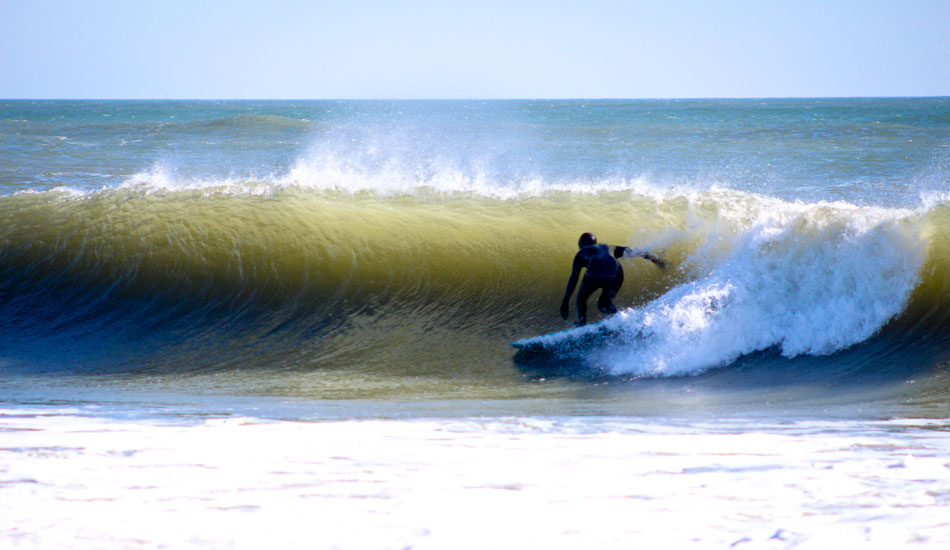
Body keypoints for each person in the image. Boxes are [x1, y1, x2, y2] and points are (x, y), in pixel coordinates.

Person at [560, 232, 666, 326]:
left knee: (581, 300)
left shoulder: (581, 253)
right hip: (615, 273)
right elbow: (634, 251)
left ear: (581, 244)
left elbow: (574, 278)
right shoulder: (608, 248)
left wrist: (565, 301)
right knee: (604, 304)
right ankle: (623, 318)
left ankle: (582, 323)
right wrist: (657, 261)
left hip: (595, 273)